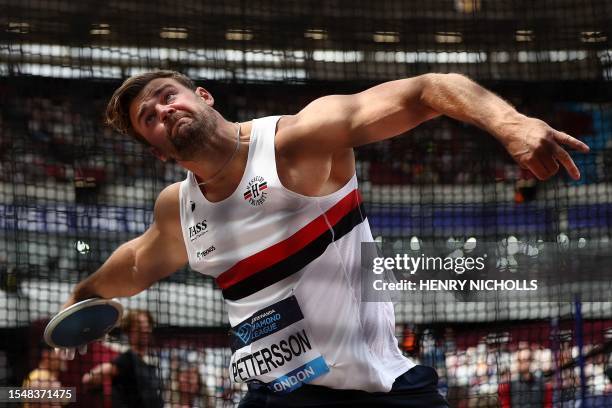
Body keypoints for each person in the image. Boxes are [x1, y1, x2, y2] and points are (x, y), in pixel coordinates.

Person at [59, 70, 589, 407]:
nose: (163, 111)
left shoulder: (298, 140)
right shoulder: (178, 208)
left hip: (378, 386)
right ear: (158, 152)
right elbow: (134, 264)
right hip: (278, 395)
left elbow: (428, 90)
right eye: (148, 118)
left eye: (166, 96)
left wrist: (511, 123)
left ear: (201, 96)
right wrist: (84, 294)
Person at [81, 309, 163, 408]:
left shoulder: (150, 363)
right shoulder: (128, 359)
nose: (145, 331)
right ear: (129, 331)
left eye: (147, 326)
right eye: (140, 327)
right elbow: (88, 378)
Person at [22, 341, 66, 408]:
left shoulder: (49, 377)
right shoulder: (40, 379)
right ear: (46, 354)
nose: (64, 357)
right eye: (61, 352)